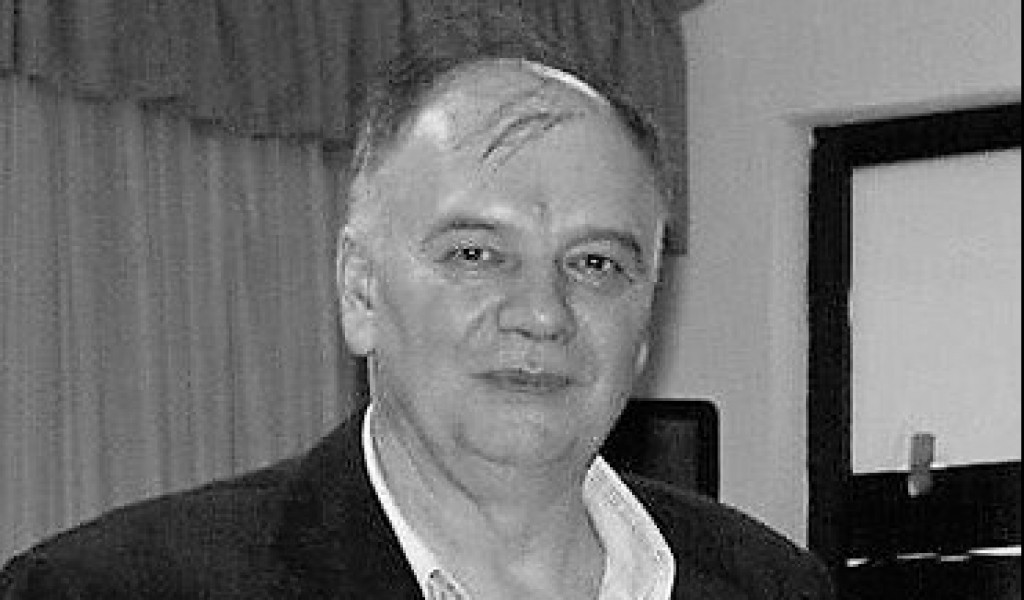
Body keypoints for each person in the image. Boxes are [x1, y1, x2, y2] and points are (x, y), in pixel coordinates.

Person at [1, 11, 833, 600]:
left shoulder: (772, 584)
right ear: (361, 290)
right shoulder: (106, 588)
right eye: (476, 254)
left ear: (645, 323)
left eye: (596, 263)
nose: (542, 313)